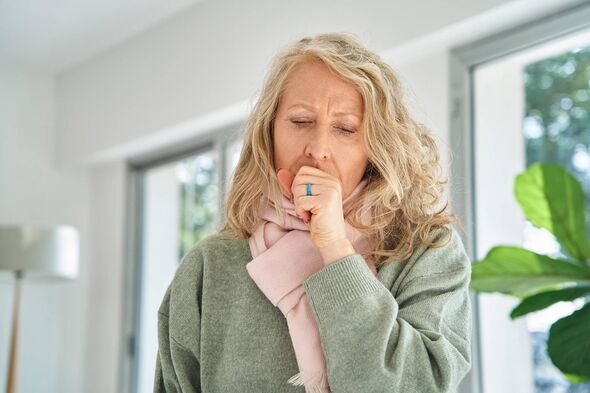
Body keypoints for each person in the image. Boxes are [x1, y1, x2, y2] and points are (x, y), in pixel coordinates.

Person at [153, 32, 472, 393]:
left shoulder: (428, 250)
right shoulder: (209, 265)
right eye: (301, 121)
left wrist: (335, 247)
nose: (318, 148)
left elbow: (419, 385)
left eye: (345, 128)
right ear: (268, 132)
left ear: (375, 146)